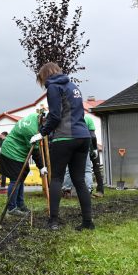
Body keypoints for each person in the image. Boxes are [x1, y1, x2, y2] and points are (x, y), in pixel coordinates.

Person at [31, 62, 93, 231]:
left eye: (42, 80)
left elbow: (55, 115)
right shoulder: (73, 87)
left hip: (65, 137)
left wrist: (42, 132)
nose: (43, 84)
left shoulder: (53, 87)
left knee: (56, 178)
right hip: (83, 137)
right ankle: (88, 222)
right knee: (79, 180)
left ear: (45, 76)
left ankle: (53, 222)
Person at [0, 114, 44, 216]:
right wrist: (41, 167)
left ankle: (20, 204)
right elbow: (35, 152)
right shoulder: (31, 131)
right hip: (12, 152)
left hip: (16, 152)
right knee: (16, 179)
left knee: (21, 178)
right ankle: (12, 208)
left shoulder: (34, 116)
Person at [62, 114, 104, 198]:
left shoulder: (67, 118)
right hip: (84, 145)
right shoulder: (88, 118)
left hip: (70, 144)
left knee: (68, 169)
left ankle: (67, 190)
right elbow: (93, 136)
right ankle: (88, 191)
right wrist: (95, 149)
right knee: (87, 169)